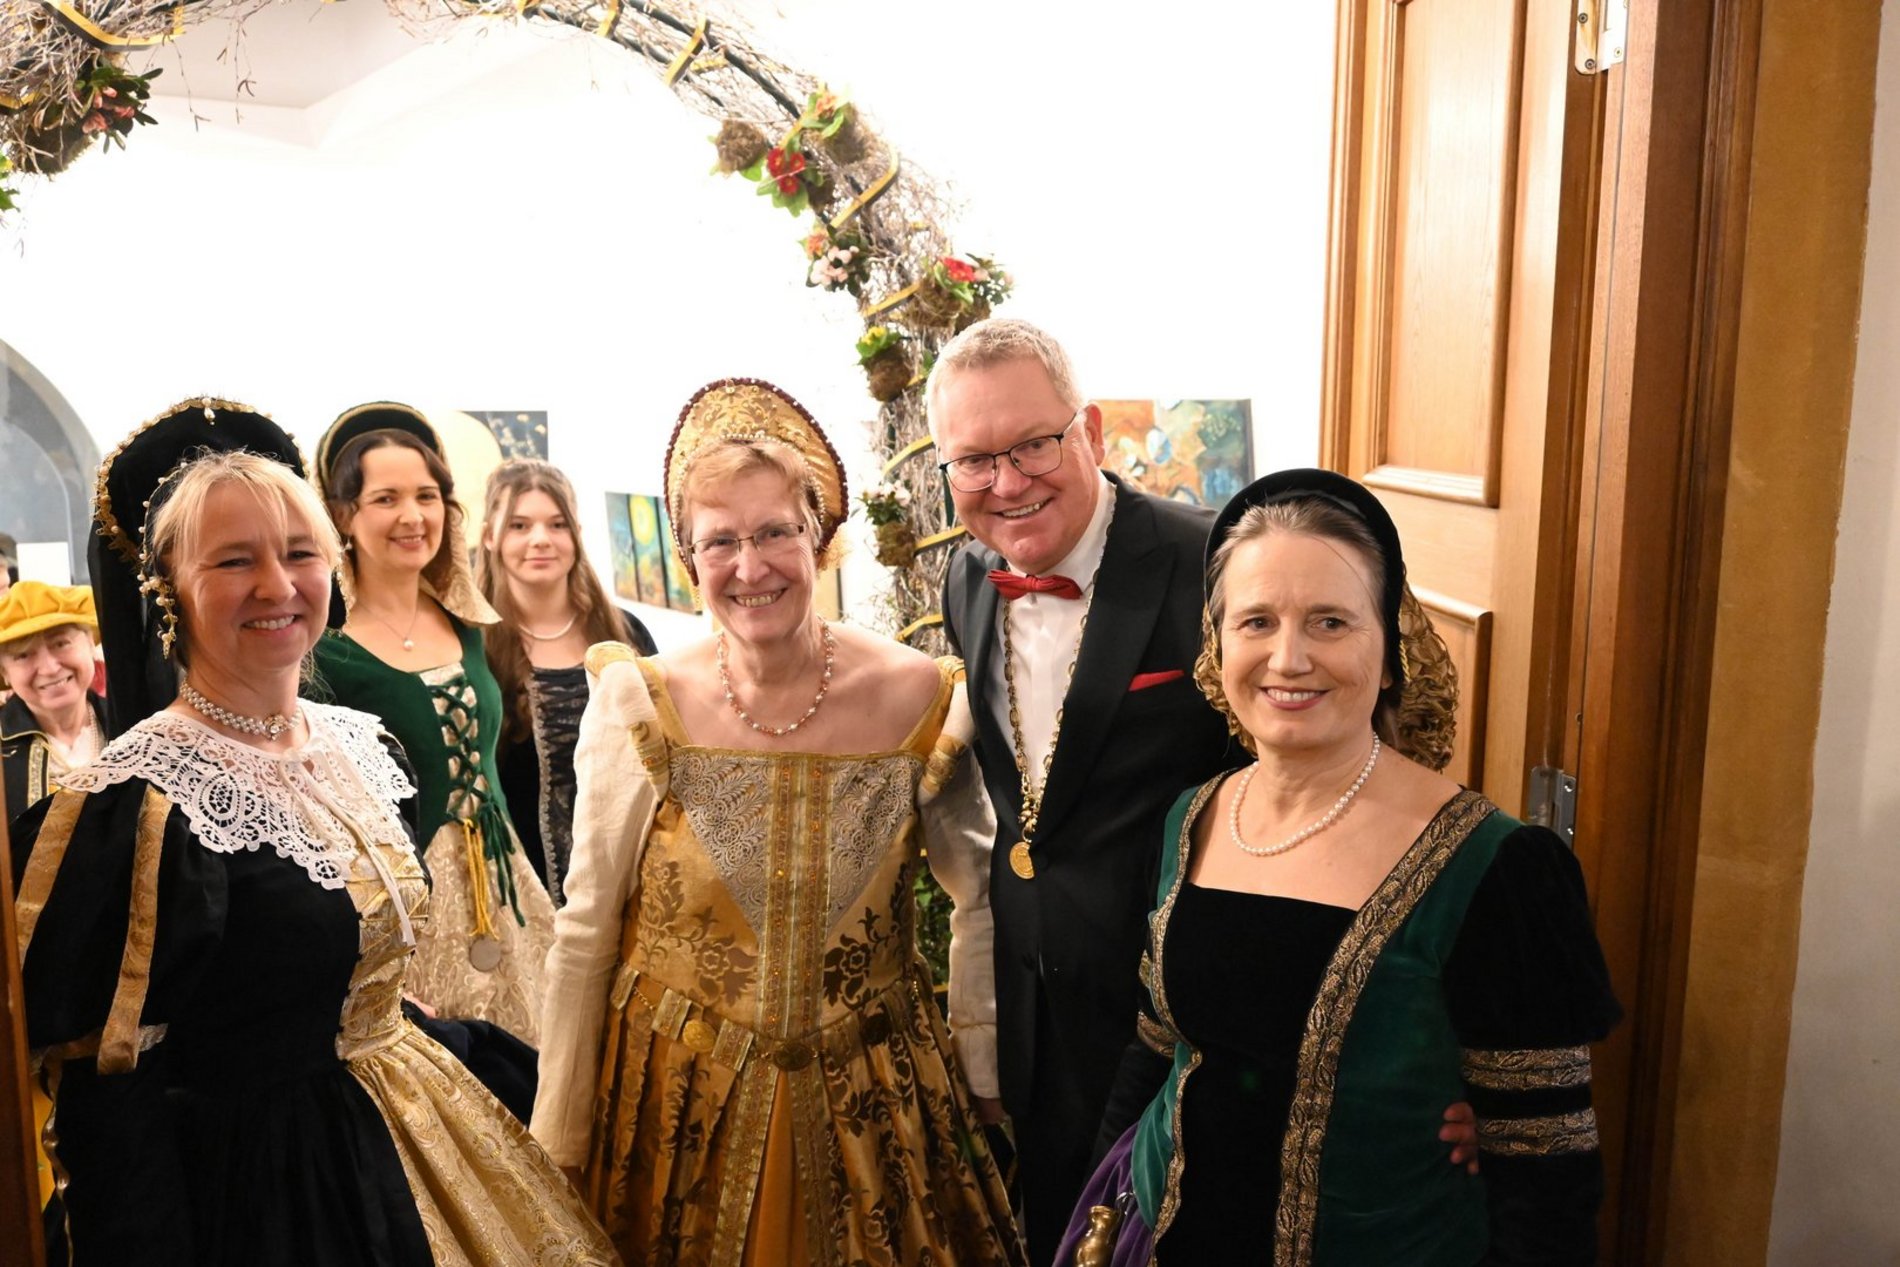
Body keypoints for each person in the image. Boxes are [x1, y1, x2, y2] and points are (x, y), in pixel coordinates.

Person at [10, 397, 614, 1265]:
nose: (278, 584)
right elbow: (114, 1109)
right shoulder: (135, 803)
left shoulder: (359, 746)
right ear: (170, 593)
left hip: (417, 1119)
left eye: (299, 553)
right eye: (233, 560)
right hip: (270, 1193)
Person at [931, 317, 1479, 1264]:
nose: (1008, 482)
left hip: (1205, 1022)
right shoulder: (967, 577)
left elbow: (1380, 773)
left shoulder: (1220, 567)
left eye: (1033, 444)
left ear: (1091, 431)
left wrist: (1444, 1046)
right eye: (974, 460)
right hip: (1038, 1018)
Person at [1057, 468, 1622, 1265]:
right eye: (1257, 620)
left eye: (1330, 621)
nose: (1288, 658)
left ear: (1390, 651)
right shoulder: (1194, 818)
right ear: (1220, 646)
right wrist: (1092, 1218)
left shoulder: (1499, 871)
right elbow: (1154, 1053)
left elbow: (1547, 1168)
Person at [532, 378, 1025, 1266]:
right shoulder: (638, 706)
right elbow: (585, 930)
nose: (750, 567)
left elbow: (980, 895)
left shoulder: (920, 696)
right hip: (674, 1101)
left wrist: (980, 1065)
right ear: (690, 559)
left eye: (774, 533)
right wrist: (559, 1135)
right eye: (721, 541)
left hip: (874, 1102)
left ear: (818, 537)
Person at [310, 403, 556, 1045]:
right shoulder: (327, 651)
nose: (413, 516)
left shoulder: (469, 625)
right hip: (409, 906)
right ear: (344, 515)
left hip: (507, 888)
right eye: (386, 498)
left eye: (427, 496)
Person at [476, 458, 657, 907]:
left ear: (575, 533)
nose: (540, 539)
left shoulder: (626, 635)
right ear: (489, 537)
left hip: (629, 885)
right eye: (519, 525)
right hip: (522, 897)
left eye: (557, 524)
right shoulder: (474, 648)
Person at [1, 581, 106, 817]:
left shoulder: (135, 726)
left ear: (90, 643)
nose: (48, 668)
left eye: (61, 643)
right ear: (5, 672)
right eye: (23, 655)